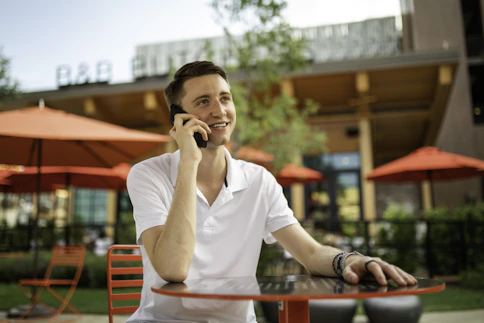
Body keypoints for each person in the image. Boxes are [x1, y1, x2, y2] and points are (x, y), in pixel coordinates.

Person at [126, 61, 417, 323]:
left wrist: (350, 261)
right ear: (179, 118)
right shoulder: (148, 175)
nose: (220, 110)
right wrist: (188, 162)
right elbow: (173, 269)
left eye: (225, 98)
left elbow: (310, 252)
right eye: (204, 101)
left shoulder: (259, 181)